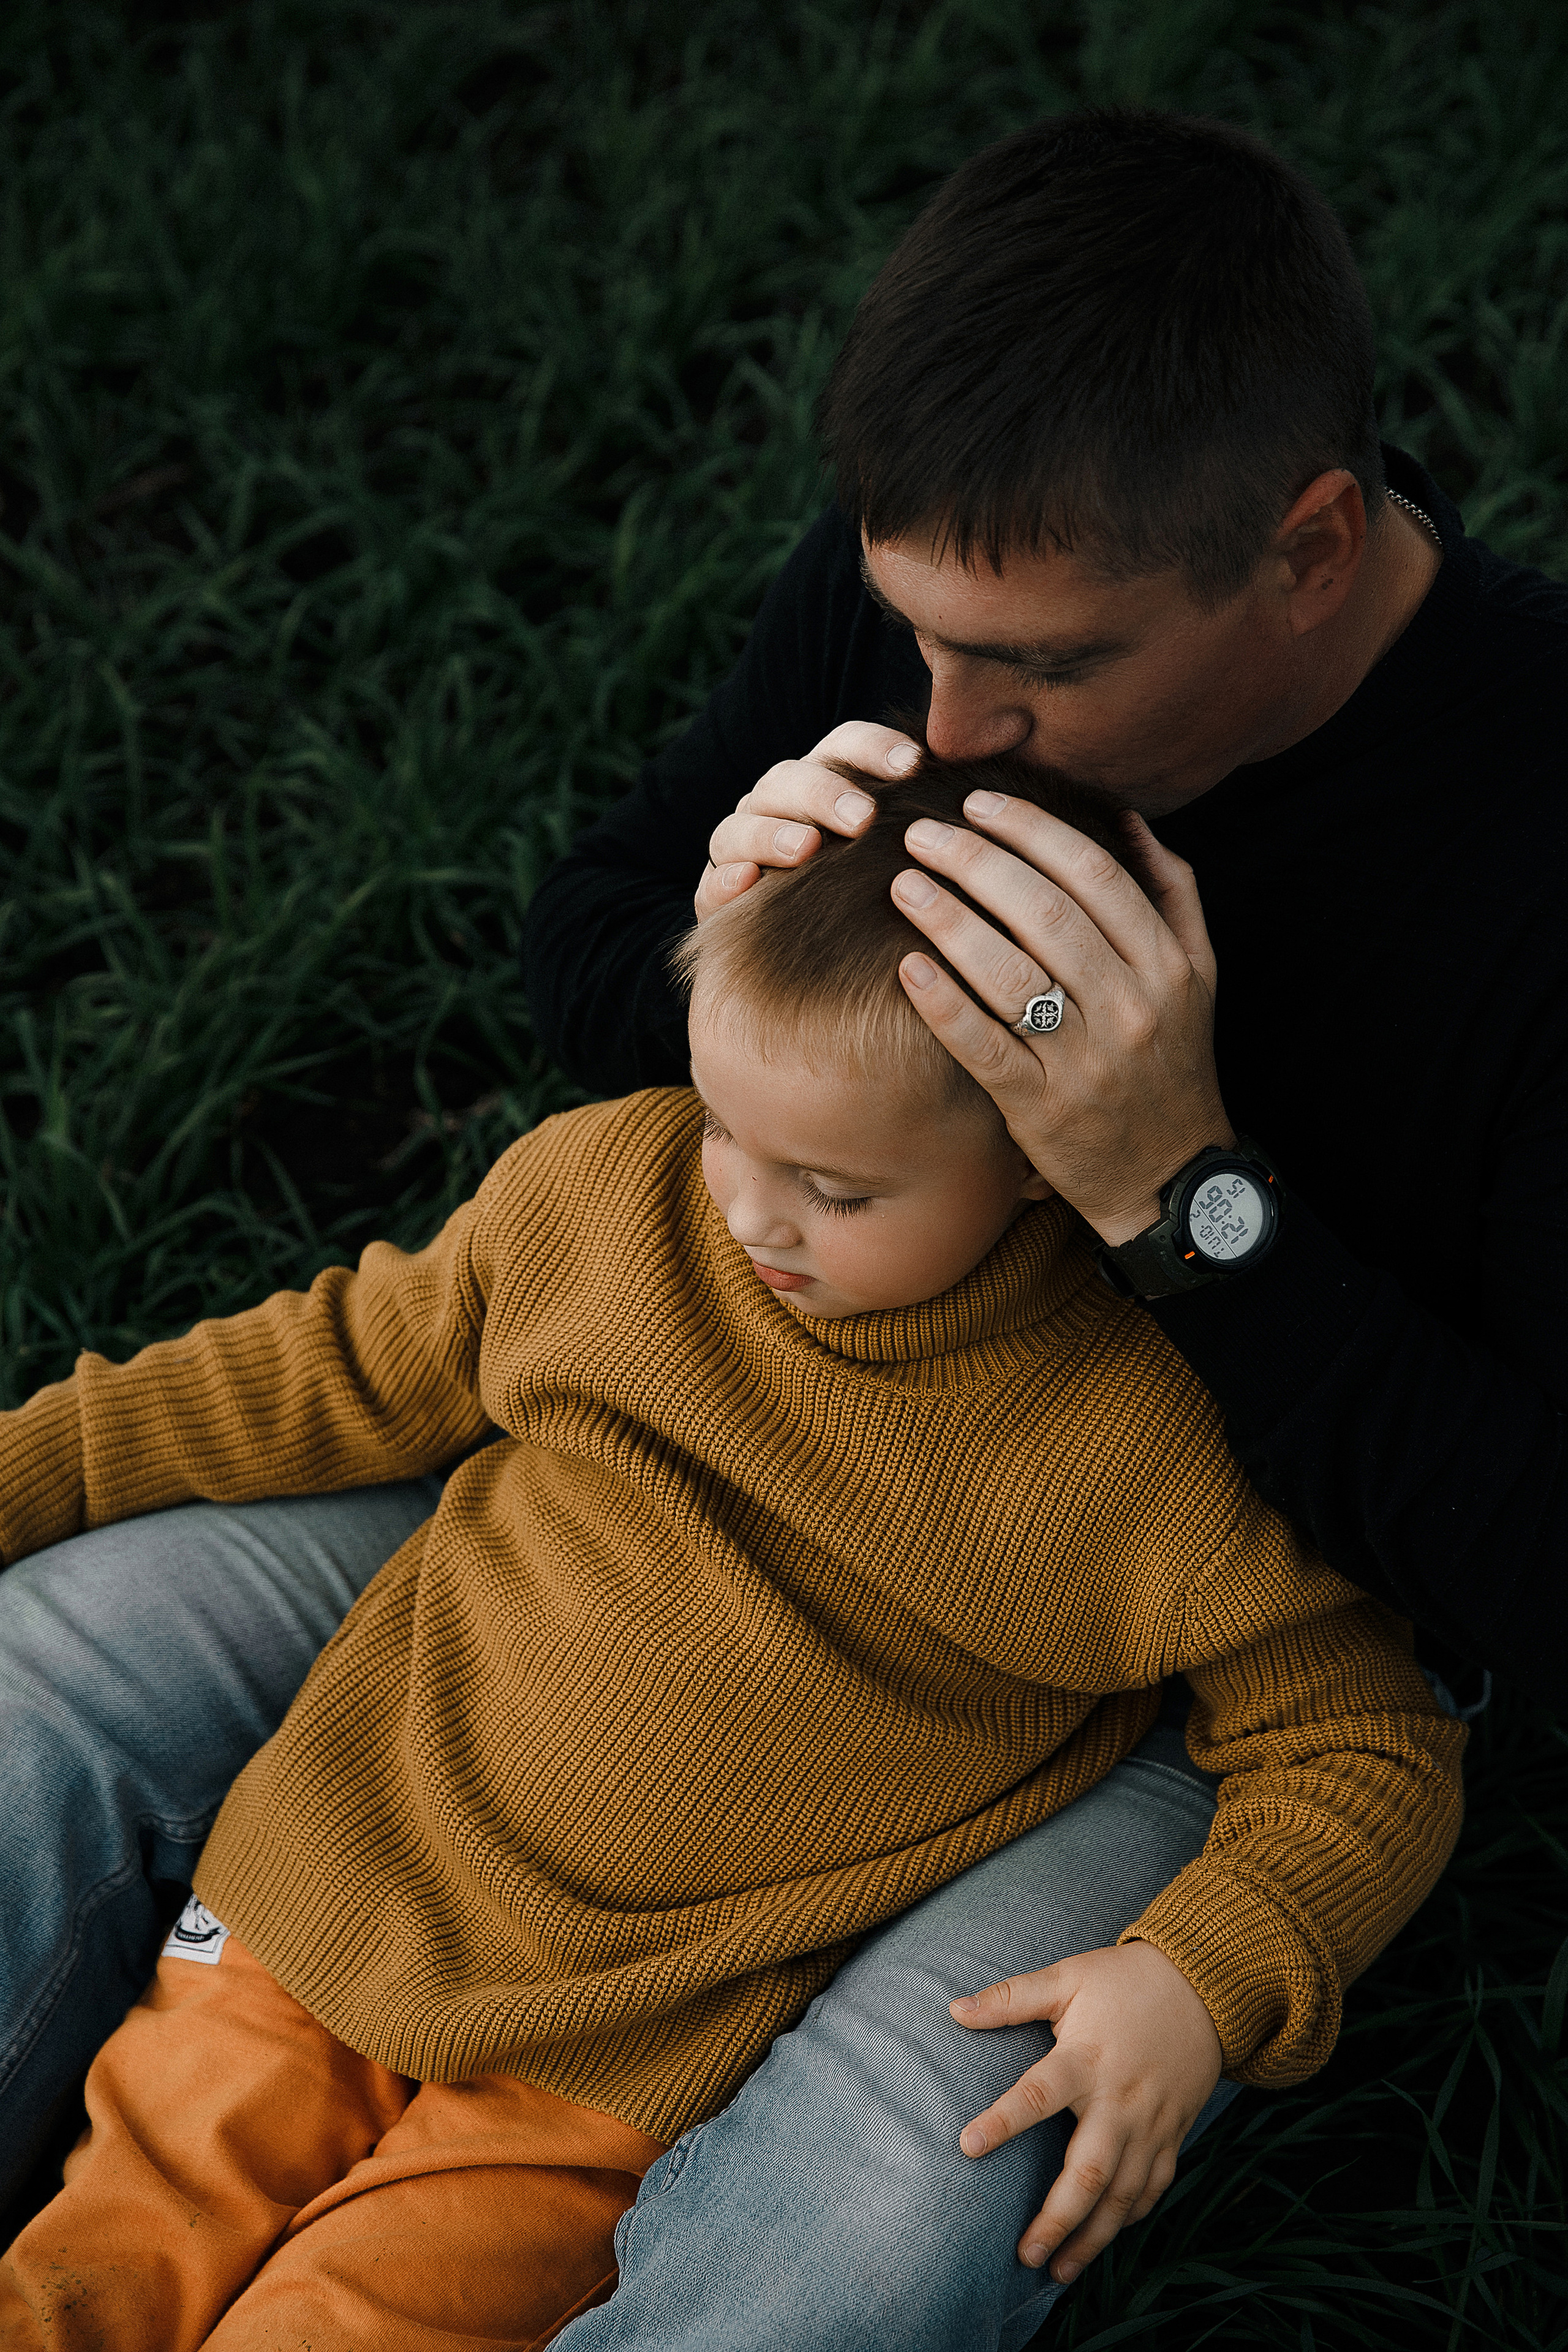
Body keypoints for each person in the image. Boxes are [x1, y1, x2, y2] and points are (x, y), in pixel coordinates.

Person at [1, 99, 1559, 2348]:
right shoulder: (962, 609)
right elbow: (601, 946)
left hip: (1110, 1633)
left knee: (865, 2233)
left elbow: (1503, 1601)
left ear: (1309, 549)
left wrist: (1187, 1202)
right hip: (669, 1434)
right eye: (910, 630)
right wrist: (730, 990)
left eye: (1047, 672)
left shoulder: (1535, 857)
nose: (943, 724)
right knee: (57, 1665)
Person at [0, 752, 1463, 2350]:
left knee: (345, 2330)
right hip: (330, 1879)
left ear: (1048, 1155)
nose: (751, 1218)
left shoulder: (1148, 1452)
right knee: (95, 2269)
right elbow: (315, 1372)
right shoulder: (606, 1195)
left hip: (614, 2057)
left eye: (835, 1189)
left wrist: (1206, 1974)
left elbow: (1363, 1736)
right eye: (725, 1130)